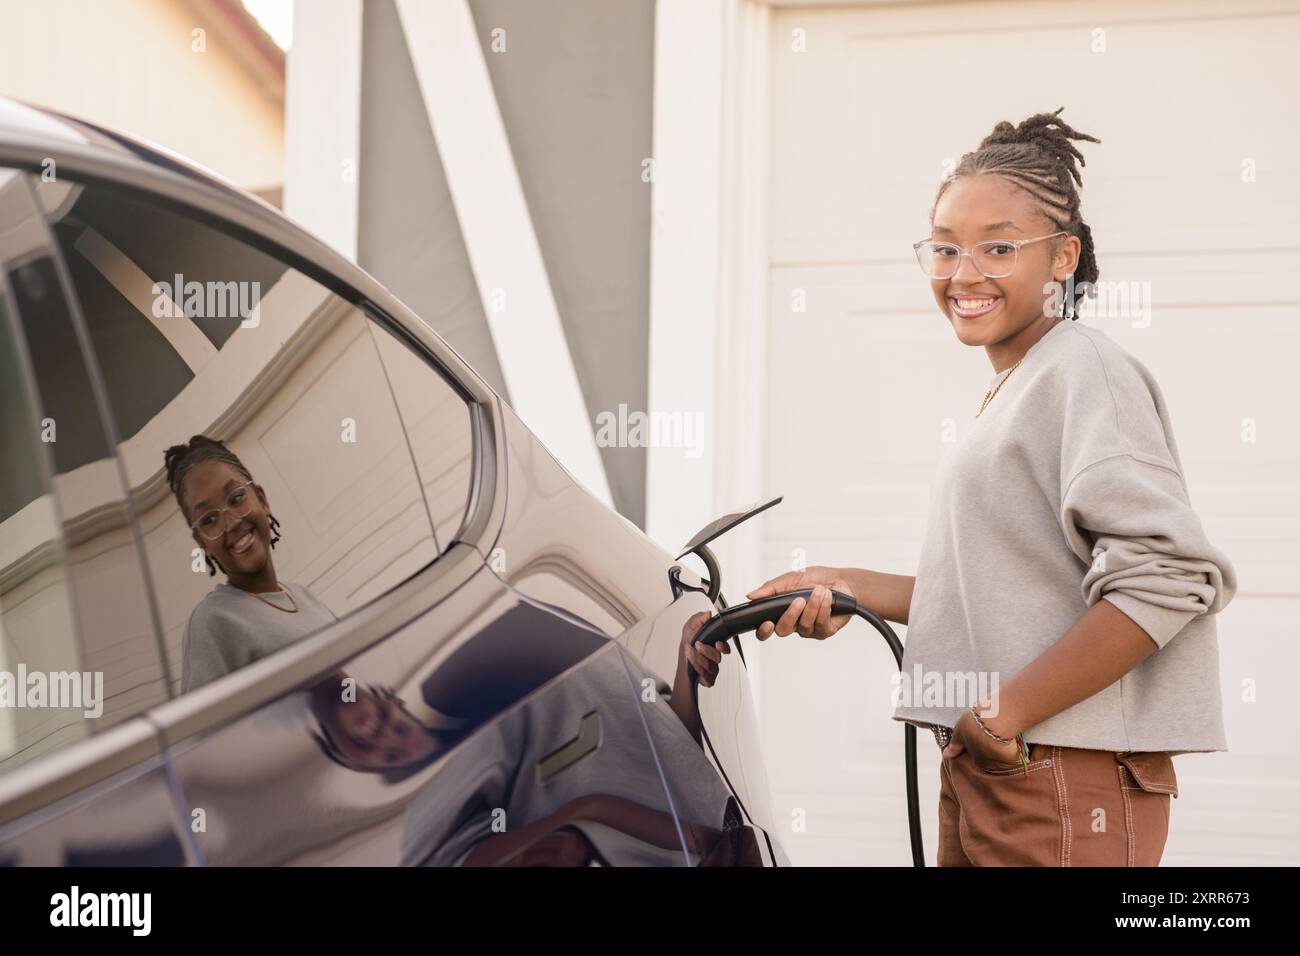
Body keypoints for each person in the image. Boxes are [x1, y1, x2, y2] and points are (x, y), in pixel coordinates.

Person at [746, 109, 1237, 867]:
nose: (963, 273)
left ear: (1063, 256)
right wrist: (846, 586)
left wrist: (1005, 718)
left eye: (998, 248)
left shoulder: (1082, 372)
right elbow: (1015, 586)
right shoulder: (1025, 383)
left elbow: (1169, 578)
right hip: (1004, 768)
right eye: (944, 248)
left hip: (1058, 776)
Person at [165, 435, 338, 692]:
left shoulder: (303, 596)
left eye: (236, 499)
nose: (232, 522)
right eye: (209, 519)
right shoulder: (212, 622)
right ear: (201, 541)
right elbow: (204, 732)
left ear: (261, 499)